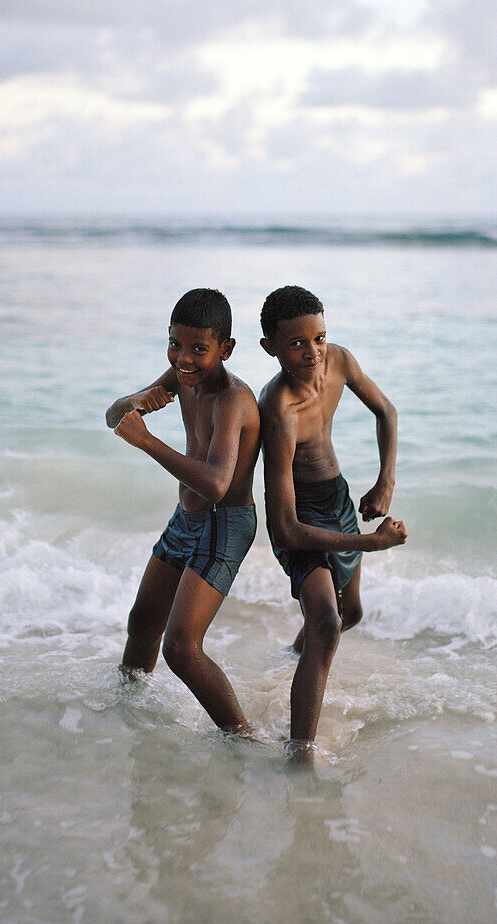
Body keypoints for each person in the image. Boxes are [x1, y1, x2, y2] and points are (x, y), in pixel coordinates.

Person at [258, 285, 407, 758]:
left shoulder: (339, 361)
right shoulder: (278, 409)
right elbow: (285, 529)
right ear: (271, 348)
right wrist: (372, 543)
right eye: (297, 343)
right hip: (299, 515)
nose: (313, 352)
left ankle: (288, 660)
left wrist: (385, 482)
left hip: (337, 498)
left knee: (350, 614)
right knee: (326, 622)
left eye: (319, 338)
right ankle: (300, 753)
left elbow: (386, 410)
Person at [106, 288, 261, 735]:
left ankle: (243, 739)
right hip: (187, 518)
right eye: (175, 344)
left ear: (226, 349)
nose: (183, 358)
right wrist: (134, 402)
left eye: (198, 348)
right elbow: (113, 414)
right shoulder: (181, 375)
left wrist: (148, 441)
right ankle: (131, 717)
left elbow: (216, 484)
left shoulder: (233, 399)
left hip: (226, 523)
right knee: (142, 623)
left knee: (180, 647)